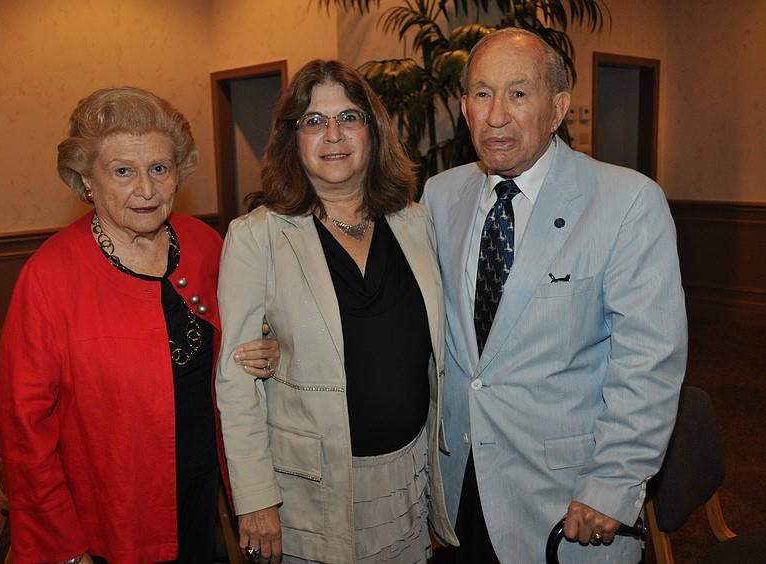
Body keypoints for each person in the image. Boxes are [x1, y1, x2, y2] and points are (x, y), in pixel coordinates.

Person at [422, 28, 688, 563]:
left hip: (567, 503)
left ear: (558, 107)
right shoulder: (439, 195)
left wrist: (612, 483)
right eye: (481, 93)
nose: (496, 114)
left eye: (518, 94)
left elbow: (649, 360)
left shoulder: (627, 201)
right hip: (457, 489)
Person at [0, 86, 279, 564]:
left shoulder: (206, 244)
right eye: (123, 171)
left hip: (202, 490)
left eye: (159, 169)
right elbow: (25, 432)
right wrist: (63, 548)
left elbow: (239, 347)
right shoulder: (49, 277)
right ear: (87, 180)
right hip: (110, 513)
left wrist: (266, 349)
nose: (146, 189)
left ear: (177, 174)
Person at [214, 59, 459, 564]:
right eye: (314, 121)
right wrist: (255, 498)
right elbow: (235, 382)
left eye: (349, 117)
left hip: (409, 478)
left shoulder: (416, 222)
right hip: (310, 491)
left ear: (372, 131)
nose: (333, 135)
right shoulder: (257, 236)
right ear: (292, 138)